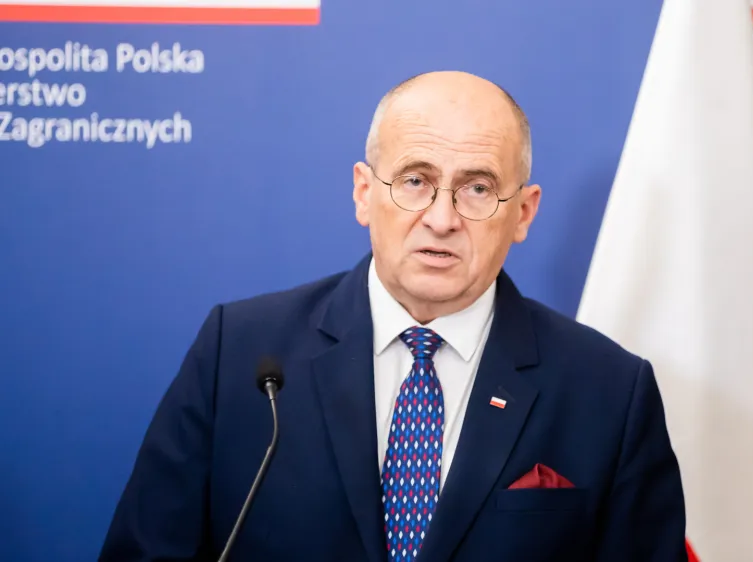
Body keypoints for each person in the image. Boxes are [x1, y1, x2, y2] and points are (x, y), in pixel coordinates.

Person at [99, 70, 687, 562]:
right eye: (415, 181)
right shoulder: (242, 356)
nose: (441, 218)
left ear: (524, 212)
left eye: (477, 188)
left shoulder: (608, 393)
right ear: (363, 192)